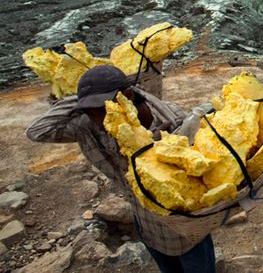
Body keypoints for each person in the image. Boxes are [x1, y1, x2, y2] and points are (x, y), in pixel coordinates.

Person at [26, 65, 218, 273]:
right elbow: (37, 131)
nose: (100, 120)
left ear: (127, 96)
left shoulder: (173, 121)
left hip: (184, 227)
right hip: (143, 221)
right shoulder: (88, 126)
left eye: (102, 109)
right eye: (91, 112)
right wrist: (82, 99)